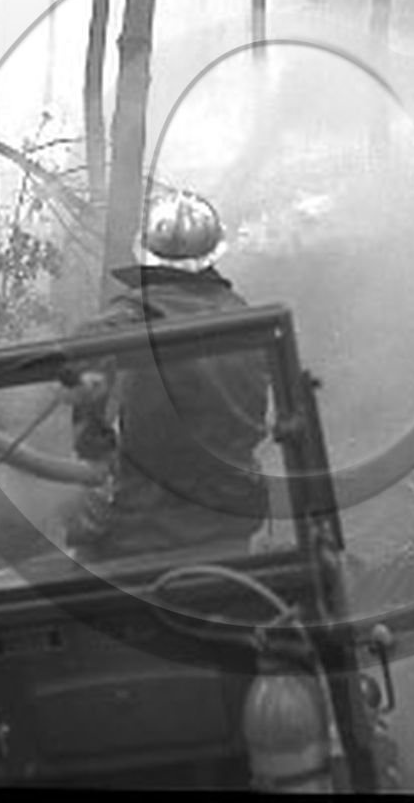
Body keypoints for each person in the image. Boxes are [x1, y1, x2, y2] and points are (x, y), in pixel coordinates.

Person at [61, 188, 271, 561]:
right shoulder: (246, 319)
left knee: (77, 536)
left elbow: (83, 353)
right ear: (212, 256)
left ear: (145, 255)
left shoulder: (130, 318)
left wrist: (93, 451)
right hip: (234, 518)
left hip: (144, 528)